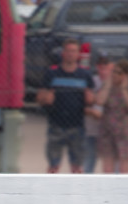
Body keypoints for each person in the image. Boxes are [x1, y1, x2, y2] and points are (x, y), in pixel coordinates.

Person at [37, 39, 95, 173]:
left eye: (74, 51)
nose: (70, 54)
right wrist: (46, 99)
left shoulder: (85, 75)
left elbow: (91, 99)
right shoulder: (52, 73)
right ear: (63, 53)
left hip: (77, 126)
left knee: (76, 167)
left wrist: (90, 99)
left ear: (78, 54)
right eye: (68, 51)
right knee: (53, 166)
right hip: (56, 126)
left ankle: (76, 193)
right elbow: (39, 98)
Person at [95, 59, 128, 173]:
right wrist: (107, 84)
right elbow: (100, 101)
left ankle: (122, 190)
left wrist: (124, 90)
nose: (115, 74)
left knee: (124, 168)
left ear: (126, 75)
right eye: (114, 71)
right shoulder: (107, 85)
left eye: (119, 73)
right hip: (108, 131)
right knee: (107, 168)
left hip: (126, 133)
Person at [83, 55, 112, 173]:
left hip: (109, 130)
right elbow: (83, 103)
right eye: (101, 67)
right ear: (97, 67)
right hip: (92, 129)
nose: (103, 71)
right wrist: (91, 111)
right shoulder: (91, 81)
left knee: (109, 162)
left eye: (106, 67)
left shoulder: (114, 83)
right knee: (89, 160)